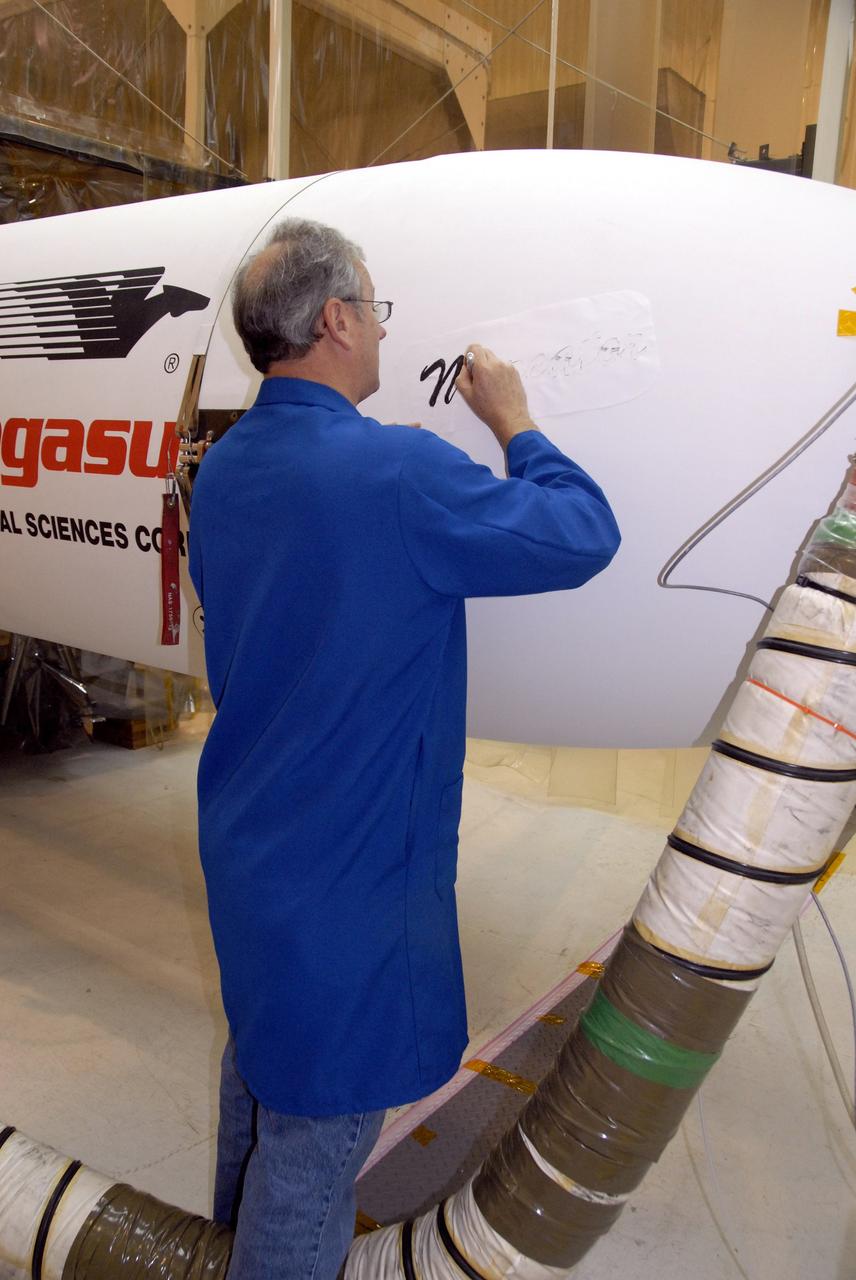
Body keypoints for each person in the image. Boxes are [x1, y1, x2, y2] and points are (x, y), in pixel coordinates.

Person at [188, 217, 620, 1280]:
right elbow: (581, 533)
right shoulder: (393, 471)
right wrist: (518, 423)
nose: (383, 333)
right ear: (336, 320)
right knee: (316, 1145)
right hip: (350, 884)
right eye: (374, 310)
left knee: (262, 1085)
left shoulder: (227, 468)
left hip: (254, 851)